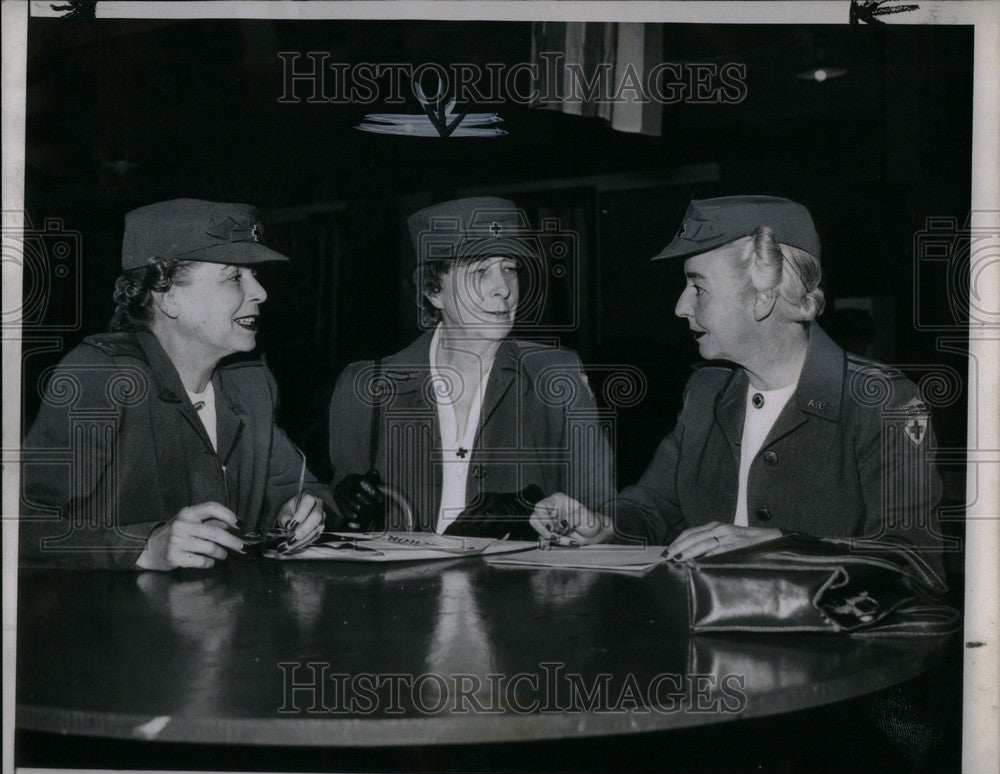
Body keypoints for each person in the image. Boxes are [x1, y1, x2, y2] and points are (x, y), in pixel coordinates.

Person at [529, 196, 945, 578]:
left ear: (763, 298)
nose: (680, 306)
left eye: (698, 287)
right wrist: (604, 526)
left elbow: (915, 561)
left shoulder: (879, 401)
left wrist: (781, 545)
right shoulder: (706, 392)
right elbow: (652, 507)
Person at [21, 198, 334, 570]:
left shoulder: (249, 385)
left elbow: (304, 491)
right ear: (167, 294)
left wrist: (299, 512)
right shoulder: (101, 377)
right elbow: (20, 523)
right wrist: (143, 546)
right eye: (235, 277)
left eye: (255, 276)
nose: (260, 293)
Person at [329, 196, 613, 535]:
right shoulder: (366, 385)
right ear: (434, 290)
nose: (503, 289)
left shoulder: (556, 377)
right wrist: (338, 503)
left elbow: (601, 516)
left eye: (510, 268)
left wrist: (536, 514)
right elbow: (334, 513)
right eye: (480, 271)